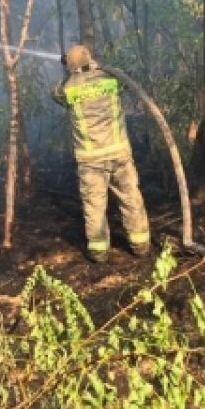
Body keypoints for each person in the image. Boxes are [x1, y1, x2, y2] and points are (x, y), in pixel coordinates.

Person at [52, 44, 151, 263]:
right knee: (131, 198)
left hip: (91, 160)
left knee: (94, 205)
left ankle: (99, 252)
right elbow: (125, 82)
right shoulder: (111, 79)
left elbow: (55, 94)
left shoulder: (67, 88)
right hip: (120, 153)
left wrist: (71, 73)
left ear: (70, 65)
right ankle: (141, 245)